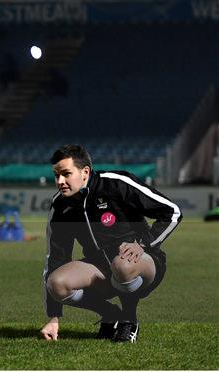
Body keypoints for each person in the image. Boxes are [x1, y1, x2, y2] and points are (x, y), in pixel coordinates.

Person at [41, 144, 182, 343]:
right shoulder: (60, 205)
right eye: (56, 175)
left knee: (122, 264)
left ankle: (129, 320)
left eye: (66, 174)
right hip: (101, 269)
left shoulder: (116, 184)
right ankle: (110, 314)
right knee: (56, 283)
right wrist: (54, 317)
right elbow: (55, 258)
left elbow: (172, 212)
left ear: (85, 172)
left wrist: (142, 244)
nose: (60, 181)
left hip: (142, 263)